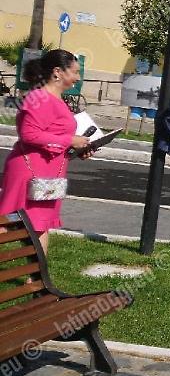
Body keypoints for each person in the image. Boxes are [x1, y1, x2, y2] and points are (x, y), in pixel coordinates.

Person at [0, 49, 93, 250]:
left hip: (48, 174)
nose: (78, 78)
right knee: (8, 223)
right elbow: (29, 135)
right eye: (75, 72)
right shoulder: (38, 98)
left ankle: (36, 280)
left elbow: (54, 137)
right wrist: (70, 140)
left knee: (40, 225)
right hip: (28, 172)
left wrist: (79, 149)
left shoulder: (58, 100)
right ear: (58, 72)